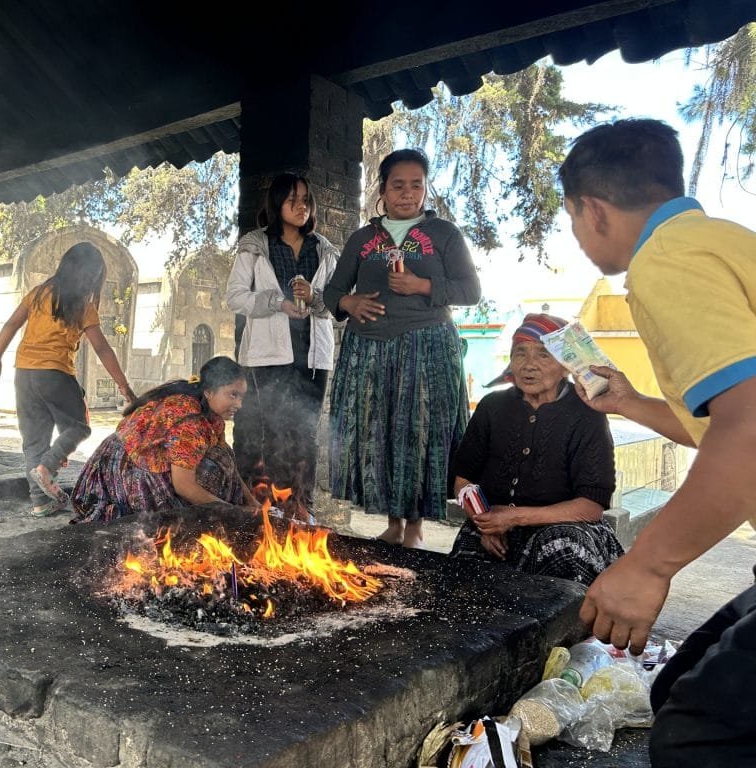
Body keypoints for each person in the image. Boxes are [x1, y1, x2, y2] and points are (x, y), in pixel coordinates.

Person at [559, 117, 756, 766]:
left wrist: (646, 565)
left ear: (592, 210)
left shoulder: (663, 263)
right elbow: (725, 424)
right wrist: (632, 403)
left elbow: (749, 425)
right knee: (676, 691)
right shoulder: (723, 240)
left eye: (571, 218)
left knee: (699, 736)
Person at [323, 148, 481, 548]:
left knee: (418, 431)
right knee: (380, 433)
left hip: (426, 346)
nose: (408, 194)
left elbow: (471, 291)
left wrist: (423, 286)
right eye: (398, 185)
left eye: (416, 185)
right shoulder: (362, 238)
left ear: (425, 189)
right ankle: (393, 523)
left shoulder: (444, 234)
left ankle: (415, 528)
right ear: (382, 190)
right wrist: (349, 303)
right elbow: (333, 290)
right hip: (369, 350)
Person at [448, 313, 622, 584]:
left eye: (543, 355)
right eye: (520, 354)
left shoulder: (587, 414)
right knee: (463, 580)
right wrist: (485, 523)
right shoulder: (492, 407)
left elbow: (591, 506)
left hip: (564, 527)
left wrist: (515, 517)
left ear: (566, 366)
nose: (529, 365)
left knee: (562, 548)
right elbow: (463, 479)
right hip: (494, 524)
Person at [0, 242, 135, 517]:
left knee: (33, 441)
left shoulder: (39, 293)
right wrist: (124, 386)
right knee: (79, 427)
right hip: (55, 373)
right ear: (89, 275)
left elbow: (11, 324)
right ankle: (47, 468)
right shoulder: (82, 305)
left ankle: (40, 502)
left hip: (24, 373)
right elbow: (101, 347)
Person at [225, 172, 339, 518]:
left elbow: (339, 304)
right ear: (277, 204)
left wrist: (315, 297)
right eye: (292, 199)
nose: (301, 206)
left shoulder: (324, 249)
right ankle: (271, 506)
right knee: (272, 430)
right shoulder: (256, 246)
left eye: (306, 199)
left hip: (314, 357)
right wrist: (278, 303)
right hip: (268, 355)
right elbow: (235, 297)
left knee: (305, 431)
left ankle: (302, 508)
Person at [70, 356, 257, 522]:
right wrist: (233, 512)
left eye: (242, 397)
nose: (239, 404)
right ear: (209, 391)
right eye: (233, 395)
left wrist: (252, 502)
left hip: (146, 458)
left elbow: (230, 466)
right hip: (123, 469)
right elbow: (184, 486)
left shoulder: (210, 414)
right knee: (211, 470)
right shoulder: (190, 421)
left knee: (223, 455)